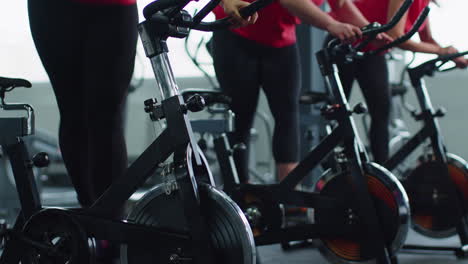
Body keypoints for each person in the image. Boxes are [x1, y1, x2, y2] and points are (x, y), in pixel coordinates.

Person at [27, 0, 256, 262]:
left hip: (112, 8)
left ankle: (110, 232)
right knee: (73, 112)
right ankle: (89, 227)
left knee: (106, 115)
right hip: (52, 9)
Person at [211, 0, 385, 184]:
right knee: (240, 117)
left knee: (288, 116)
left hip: (281, 40)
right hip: (237, 36)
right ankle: (240, 196)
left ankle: (290, 195)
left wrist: (369, 31)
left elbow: (341, 5)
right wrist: (331, 24)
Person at [331, 0, 468, 163]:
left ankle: (381, 177)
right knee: (338, 114)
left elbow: (427, 38)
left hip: (373, 51)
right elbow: (397, 37)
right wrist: (440, 51)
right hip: (345, 44)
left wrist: (453, 56)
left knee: (381, 113)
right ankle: (333, 167)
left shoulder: (423, 3)